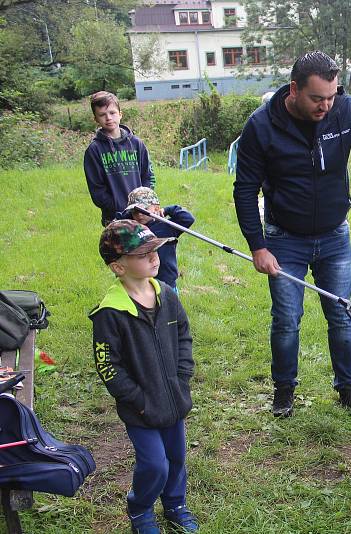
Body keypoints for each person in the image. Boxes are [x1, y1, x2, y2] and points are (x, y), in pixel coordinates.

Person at [233, 51, 351, 420]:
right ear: (294, 89)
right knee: (286, 319)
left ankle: (347, 387)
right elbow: (244, 190)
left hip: (335, 237)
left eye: (331, 96)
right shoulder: (261, 126)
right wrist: (258, 246)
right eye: (317, 98)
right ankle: (284, 390)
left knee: (342, 315)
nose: (325, 105)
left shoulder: (344, 110)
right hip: (285, 238)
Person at [90, 220, 197, 533]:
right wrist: (136, 399)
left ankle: (175, 504)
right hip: (140, 408)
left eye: (155, 250)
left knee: (176, 459)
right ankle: (140, 509)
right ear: (118, 267)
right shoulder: (110, 313)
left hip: (174, 398)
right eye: (143, 253)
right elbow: (107, 364)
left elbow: (184, 335)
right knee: (155, 464)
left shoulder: (166, 294)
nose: (154, 257)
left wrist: (182, 376)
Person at [84, 91, 155, 226]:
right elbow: (97, 190)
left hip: (141, 213)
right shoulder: (94, 151)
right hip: (114, 218)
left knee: (146, 247)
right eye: (102, 115)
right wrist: (119, 208)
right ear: (96, 119)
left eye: (112, 113)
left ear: (120, 114)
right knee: (120, 248)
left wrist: (142, 204)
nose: (108, 118)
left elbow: (148, 176)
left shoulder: (137, 144)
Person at [119, 187, 195, 293]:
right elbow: (117, 222)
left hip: (166, 281)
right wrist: (129, 214)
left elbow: (188, 218)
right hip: (141, 282)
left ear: (156, 208)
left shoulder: (167, 226)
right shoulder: (132, 228)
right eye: (135, 211)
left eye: (144, 209)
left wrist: (167, 210)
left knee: (170, 308)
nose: (139, 214)